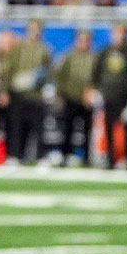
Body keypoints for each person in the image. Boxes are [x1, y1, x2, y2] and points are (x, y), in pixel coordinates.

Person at [90, 21, 127, 169]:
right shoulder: (105, 52)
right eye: (116, 33)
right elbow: (96, 73)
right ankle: (110, 159)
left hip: (125, 97)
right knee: (109, 128)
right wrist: (94, 89)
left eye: (121, 33)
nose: (118, 36)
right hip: (108, 95)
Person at [0, 20, 52, 165]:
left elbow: (48, 71)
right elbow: (8, 68)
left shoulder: (45, 49)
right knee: (16, 126)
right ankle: (14, 156)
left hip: (36, 95)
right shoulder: (19, 47)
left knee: (37, 128)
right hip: (18, 93)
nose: (34, 32)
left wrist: (37, 79)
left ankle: (39, 157)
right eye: (32, 28)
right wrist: (5, 90)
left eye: (37, 29)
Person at [51, 29, 96, 165]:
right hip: (70, 97)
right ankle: (65, 155)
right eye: (80, 40)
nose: (83, 43)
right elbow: (61, 76)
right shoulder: (69, 56)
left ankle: (87, 158)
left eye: (85, 40)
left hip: (87, 100)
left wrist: (92, 91)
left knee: (87, 130)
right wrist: (60, 94)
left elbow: (97, 77)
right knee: (67, 128)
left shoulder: (94, 58)